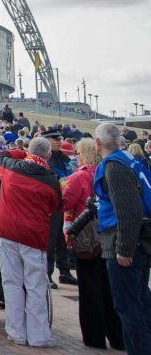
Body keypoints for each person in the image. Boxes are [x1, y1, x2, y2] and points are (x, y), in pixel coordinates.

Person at [0, 136, 60, 348]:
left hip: (8, 231)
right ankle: (38, 336)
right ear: (48, 155)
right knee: (36, 286)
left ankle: (16, 332)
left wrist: (21, 153)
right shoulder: (50, 178)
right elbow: (55, 206)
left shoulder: (12, 167)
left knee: (11, 283)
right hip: (33, 235)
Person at [93, 123, 151, 355]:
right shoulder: (130, 159)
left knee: (129, 307)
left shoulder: (114, 166)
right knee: (140, 301)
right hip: (139, 240)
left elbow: (128, 211)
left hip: (127, 242)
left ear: (97, 143)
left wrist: (124, 248)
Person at [61, 137, 124, 350]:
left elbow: (65, 202)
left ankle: (94, 337)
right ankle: (117, 336)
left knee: (90, 290)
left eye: (78, 153)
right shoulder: (108, 171)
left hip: (87, 238)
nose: (76, 157)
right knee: (110, 289)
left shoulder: (79, 177)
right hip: (109, 236)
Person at [43, 129, 77, 287]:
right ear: (46, 141)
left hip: (64, 202)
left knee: (62, 240)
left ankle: (64, 271)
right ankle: (47, 274)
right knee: (50, 240)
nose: (58, 141)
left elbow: (69, 174)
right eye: (54, 139)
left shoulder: (62, 158)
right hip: (51, 203)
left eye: (59, 138)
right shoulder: (45, 159)